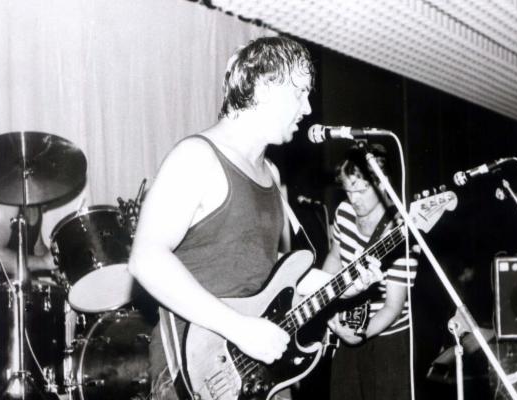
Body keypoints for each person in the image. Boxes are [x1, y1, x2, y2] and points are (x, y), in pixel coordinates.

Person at [127, 36, 382, 400]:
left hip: (260, 371)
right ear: (264, 87)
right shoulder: (197, 157)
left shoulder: (272, 175)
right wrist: (240, 329)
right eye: (300, 93)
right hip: (196, 372)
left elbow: (262, 268)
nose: (308, 108)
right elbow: (146, 258)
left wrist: (337, 284)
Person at [322, 144, 418, 400]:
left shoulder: (399, 230)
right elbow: (335, 257)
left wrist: (360, 335)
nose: (353, 199)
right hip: (347, 328)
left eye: (361, 190)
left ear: (382, 184)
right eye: (348, 190)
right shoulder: (344, 213)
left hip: (387, 339)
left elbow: (393, 306)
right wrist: (324, 301)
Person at [0, 201, 55, 279]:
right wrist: (44, 262)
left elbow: (38, 248)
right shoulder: (3, 201)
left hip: (23, 282)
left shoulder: (34, 203)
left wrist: (57, 260)